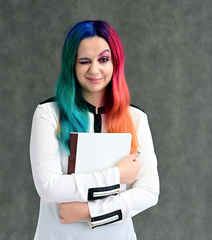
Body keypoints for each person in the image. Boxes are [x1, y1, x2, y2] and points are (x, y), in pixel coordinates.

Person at [29, 20, 159, 240]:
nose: (95, 69)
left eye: (103, 59)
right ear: (72, 64)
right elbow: (49, 187)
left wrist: (89, 212)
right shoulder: (48, 114)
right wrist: (117, 175)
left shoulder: (135, 118)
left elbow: (149, 192)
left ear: (115, 63)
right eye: (84, 61)